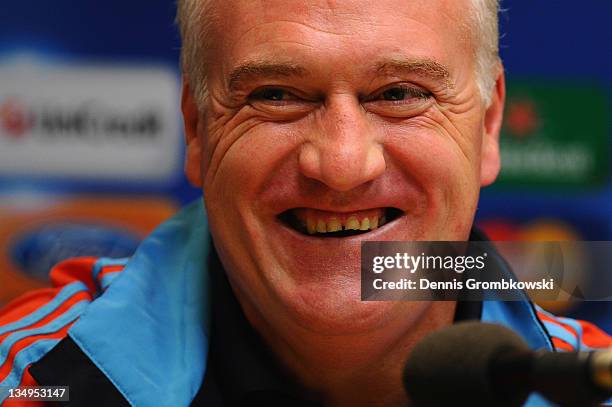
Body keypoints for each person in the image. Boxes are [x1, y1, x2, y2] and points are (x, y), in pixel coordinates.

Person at [0, 0, 610, 406]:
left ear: (489, 124)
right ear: (196, 129)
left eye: (399, 93)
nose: (342, 166)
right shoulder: (28, 383)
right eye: (276, 95)